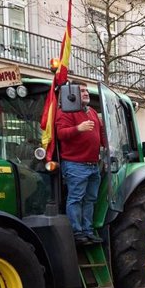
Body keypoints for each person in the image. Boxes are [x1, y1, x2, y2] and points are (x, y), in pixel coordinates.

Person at [55, 82, 103, 245]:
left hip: (93, 164)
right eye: (81, 91)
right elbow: (61, 134)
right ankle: (77, 232)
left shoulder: (93, 113)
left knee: (90, 199)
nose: (85, 93)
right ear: (72, 93)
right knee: (76, 198)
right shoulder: (64, 112)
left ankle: (88, 231)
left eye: (86, 90)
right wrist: (78, 128)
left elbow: (100, 135)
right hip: (76, 164)